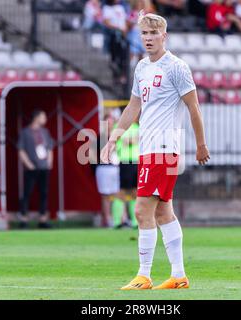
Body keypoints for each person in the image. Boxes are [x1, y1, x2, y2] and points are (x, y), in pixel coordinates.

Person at [101, 12, 210, 290]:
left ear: (165, 35)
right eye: (144, 34)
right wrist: (115, 137)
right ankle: (178, 276)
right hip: (148, 148)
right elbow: (133, 107)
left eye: (154, 33)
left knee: (141, 210)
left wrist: (200, 144)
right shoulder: (141, 68)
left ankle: (144, 275)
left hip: (164, 148)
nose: (148, 39)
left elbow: (193, 107)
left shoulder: (176, 67)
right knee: (163, 213)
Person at [17, 109, 55, 229]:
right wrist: (28, 164)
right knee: (27, 192)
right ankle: (24, 218)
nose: (45, 119)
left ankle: (43, 218)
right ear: (36, 117)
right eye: (43, 117)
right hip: (32, 167)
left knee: (44, 193)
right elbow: (21, 149)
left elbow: (49, 148)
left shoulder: (45, 132)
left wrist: (49, 162)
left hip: (44, 167)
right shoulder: (26, 132)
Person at [89, 113, 120, 228]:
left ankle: (117, 218)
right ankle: (108, 219)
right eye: (108, 122)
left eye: (112, 122)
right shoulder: (101, 138)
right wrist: (96, 166)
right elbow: (92, 154)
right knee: (106, 195)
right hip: (104, 168)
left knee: (116, 194)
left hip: (115, 168)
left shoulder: (117, 137)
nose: (110, 125)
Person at [112, 121, 139, 229]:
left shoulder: (137, 127)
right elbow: (125, 142)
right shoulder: (119, 126)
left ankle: (135, 222)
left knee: (135, 192)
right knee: (122, 192)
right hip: (125, 162)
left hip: (136, 162)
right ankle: (117, 222)